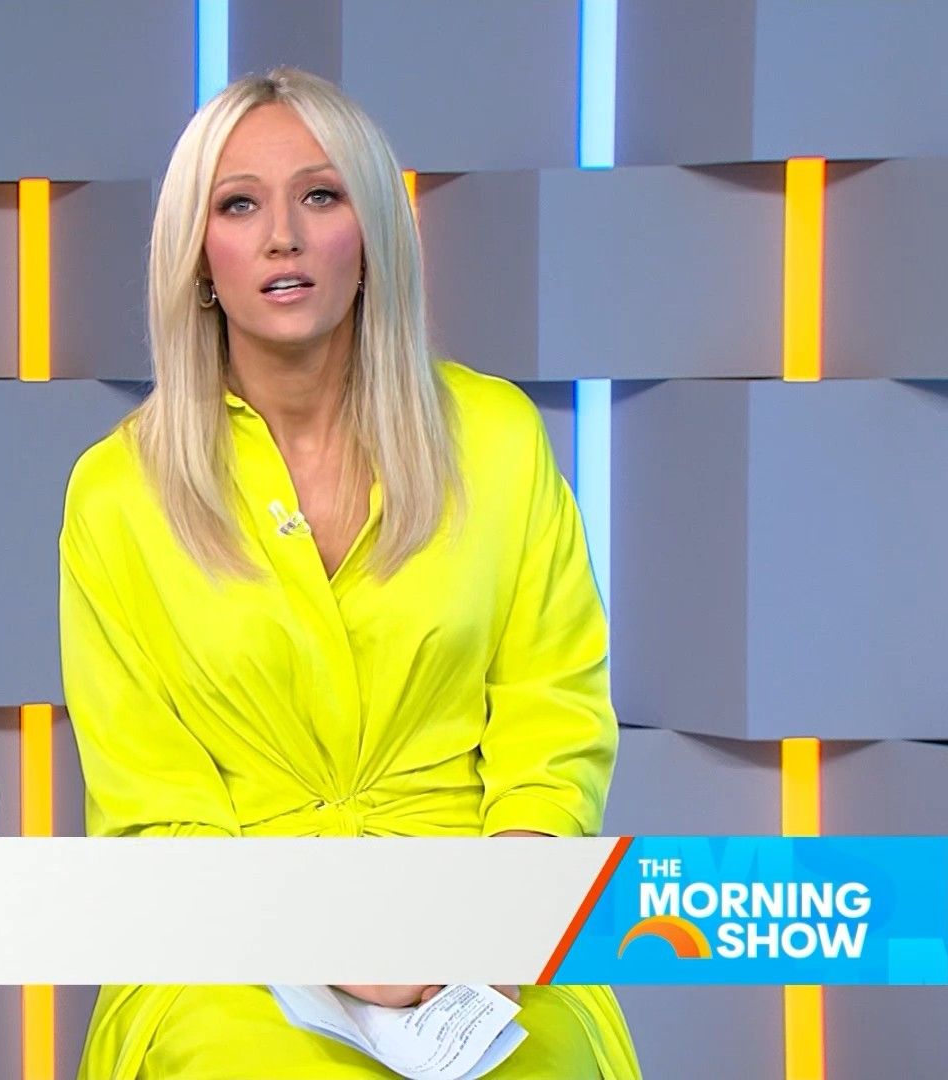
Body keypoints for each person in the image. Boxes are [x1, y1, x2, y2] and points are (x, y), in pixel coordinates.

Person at [58, 68, 642, 1079]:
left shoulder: (498, 438)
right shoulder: (117, 492)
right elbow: (150, 803)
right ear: (198, 254)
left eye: (320, 196)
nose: (282, 236)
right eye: (239, 205)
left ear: (371, 234)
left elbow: (554, 721)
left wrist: (494, 924)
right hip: (232, 936)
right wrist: (337, 945)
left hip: (482, 916)